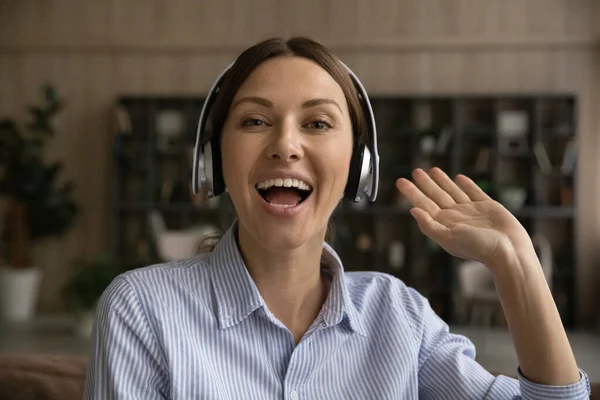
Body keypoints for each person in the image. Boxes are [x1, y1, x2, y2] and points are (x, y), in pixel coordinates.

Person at [83, 37, 591, 399]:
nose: (285, 144)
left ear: (357, 167)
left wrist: (517, 262)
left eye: (318, 123)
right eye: (255, 121)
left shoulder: (402, 318)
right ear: (213, 160)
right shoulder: (141, 311)